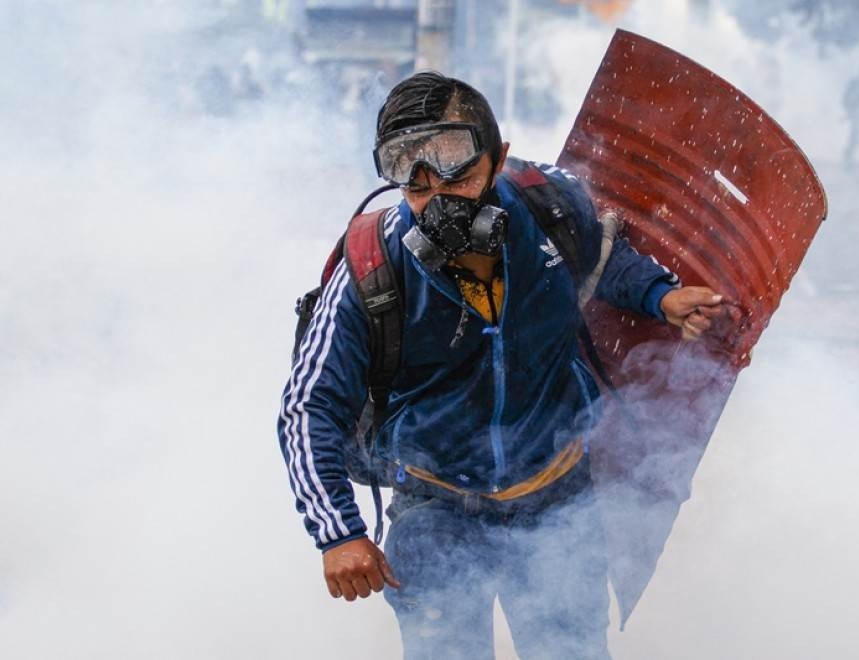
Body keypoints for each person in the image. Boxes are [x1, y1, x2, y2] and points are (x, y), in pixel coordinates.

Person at [277, 71, 723, 659]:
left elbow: (602, 254)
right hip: (436, 512)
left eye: (453, 159)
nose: (433, 189)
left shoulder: (551, 204)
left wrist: (658, 296)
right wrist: (339, 533)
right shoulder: (371, 266)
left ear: (497, 156)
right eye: (407, 167)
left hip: (557, 502)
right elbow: (307, 407)